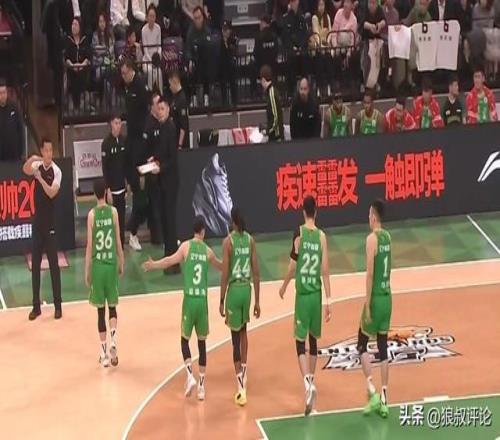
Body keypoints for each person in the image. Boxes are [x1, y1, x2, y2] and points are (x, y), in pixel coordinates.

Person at [143, 216, 222, 400]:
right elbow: (221, 267)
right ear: (203, 231)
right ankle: (201, 387)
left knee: (184, 340)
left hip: (189, 300)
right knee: (202, 344)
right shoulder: (208, 251)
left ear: (193, 230)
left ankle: (189, 375)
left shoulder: (186, 247)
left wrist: (154, 265)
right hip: (202, 302)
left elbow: (169, 261)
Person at [279, 196, 332, 416]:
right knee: (313, 340)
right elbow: (325, 270)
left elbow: (293, 265)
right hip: (316, 295)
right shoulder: (322, 237)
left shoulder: (299, 233)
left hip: (302, 296)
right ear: (316, 212)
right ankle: (311, 382)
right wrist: (329, 301)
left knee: (300, 342)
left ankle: (308, 383)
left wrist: (284, 285)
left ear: (303, 212)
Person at [219, 208, 261, 407]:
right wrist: (258, 301)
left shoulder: (228, 242)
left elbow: (225, 274)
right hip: (247, 290)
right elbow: (257, 273)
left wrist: (221, 300)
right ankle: (244, 370)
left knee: (235, 339)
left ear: (233, 222)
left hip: (235, 291)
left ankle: (240, 386)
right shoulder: (250, 240)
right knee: (244, 331)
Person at [356, 200, 392, 418]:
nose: (368, 217)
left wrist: (368, 304)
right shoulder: (388, 237)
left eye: (369, 214)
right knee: (383, 346)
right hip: (388, 297)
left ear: (374, 216)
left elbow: (370, 274)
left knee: (362, 344)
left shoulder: (372, 239)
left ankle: (372, 391)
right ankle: (385, 399)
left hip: (376, 299)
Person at [85, 178, 125, 368]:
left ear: (94, 193)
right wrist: (121, 260)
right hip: (111, 265)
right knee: (113, 308)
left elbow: (89, 246)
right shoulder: (114, 212)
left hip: (98, 266)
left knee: (100, 311)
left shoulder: (92, 215)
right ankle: (114, 340)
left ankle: (103, 353)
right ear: (106, 192)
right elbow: (118, 240)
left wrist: (87, 270)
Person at [23, 140, 63, 321]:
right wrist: (33, 159)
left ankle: (58, 306)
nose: (49, 153)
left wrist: (39, 179)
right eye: (46, 150)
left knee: (54, 265)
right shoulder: (38, 165)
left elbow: (52, 192)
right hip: (37, 223)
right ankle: (36, 307)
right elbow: (25, 169)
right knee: (36, 266)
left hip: (50, 224)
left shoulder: (56, 171)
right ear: (42, 151)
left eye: (50, 150)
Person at [121, 59, 150, 251]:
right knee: (139, 195)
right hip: (132, 144)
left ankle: (132, 230)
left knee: (143, 199)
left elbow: (143, 113)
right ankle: (132, 231)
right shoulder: (128, 87)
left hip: (140, 146)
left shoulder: (140, 86)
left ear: (132, 70)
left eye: (125, 73)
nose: (123, 76)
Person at [150, 97, 180, 266]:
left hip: (170, 181)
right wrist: (154, 159)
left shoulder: (170, 127)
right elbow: (162, 152)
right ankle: (168, 256)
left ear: (168, 109)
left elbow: (172, 158)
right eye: (158, 109)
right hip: (162, 181)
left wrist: (160, 168)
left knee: (170, 220)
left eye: (163, 109)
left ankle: (173, 261)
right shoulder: (161, 128)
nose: (160, 112)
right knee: (165, 219)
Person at [101, 114, 127, 247]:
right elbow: (105, 168)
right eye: (116, 123)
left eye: (120, 123)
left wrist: (127, 186)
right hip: (112, 190)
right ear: (111, 124)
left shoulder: (124, 140)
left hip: (122, 187)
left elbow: (126, 164)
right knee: (111, 219)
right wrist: (108, 189)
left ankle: (121, 245)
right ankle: (111, 245)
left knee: (121, 219)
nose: (118, 126)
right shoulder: (106, 143)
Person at [185, 6, 212, 107]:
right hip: (194, 59)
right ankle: (194, 98)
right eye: (195, 18)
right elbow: (188, 48)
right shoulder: (190, 31)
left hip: (205, 59)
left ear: (203, 17)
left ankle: (206, 97)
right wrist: (190, 60)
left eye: (199, 17)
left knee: (207, 68)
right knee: (191, 71)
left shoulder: (207, 29)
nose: (197, 20)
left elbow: (209, 46)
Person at [281, 0, 309, 96]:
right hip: (291, 51)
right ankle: (291, 92)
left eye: (295, 1)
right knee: (290, 61)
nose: (294, 4)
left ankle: (306, 89)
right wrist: (292, 47)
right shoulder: (286, 18)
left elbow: (305, 35)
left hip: (302, 50)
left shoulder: (302, 18)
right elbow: (285, 37)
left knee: (305, 59)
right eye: (292, 2)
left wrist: (300, 47)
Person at [65, 17, 90, 110]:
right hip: (71, 69)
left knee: (83, 77)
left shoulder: (85, 40)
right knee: (72, 78)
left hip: (83, 69)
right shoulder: (68, 40)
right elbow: (66, 57)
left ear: (80, 27)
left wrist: (81, 65)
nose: (73, 27)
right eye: (72, 24)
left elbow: (88, 56)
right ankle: (74, 105)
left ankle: (82, 105)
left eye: (76, 25)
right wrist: (72, 65)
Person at [92, 13, 115, 109]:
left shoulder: (110, 35)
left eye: (103, 21)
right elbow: (96, 50)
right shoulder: (95, 35)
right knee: (101, 75)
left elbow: (111, 51)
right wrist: (105, 50)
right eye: (100, 21)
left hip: (109, 63)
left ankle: (108, 104)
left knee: (109, 75)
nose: (102, 23)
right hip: (98, 63)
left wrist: (104, 50)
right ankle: (105, 103)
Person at [311, 0, 333, 97]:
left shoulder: (327, 17)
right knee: (319, 61)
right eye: (319, 5)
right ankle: (319, 87)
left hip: (326, 45)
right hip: (318, 46)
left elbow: (330, 32)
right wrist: (321, 45)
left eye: (323, 5)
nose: (321, 7)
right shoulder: (314, 18)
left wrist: (327, 42)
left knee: (329, 60)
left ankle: (329, 86)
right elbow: (316, 33)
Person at [252, 15, 279, 96]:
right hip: (273, 65)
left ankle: (255, 92)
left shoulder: (258, 36)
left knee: (252, 67)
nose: (260, 25)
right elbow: (276, 51)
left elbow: (255, 53)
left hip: (260, 66)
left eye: (261, 23)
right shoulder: (275, 36)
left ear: (265, 23)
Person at [0, 78, 24, 161]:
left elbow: (20, 129)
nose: (2, 95)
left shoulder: (14, 107)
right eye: (0, 93)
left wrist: (21, 151)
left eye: (4, 92)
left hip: (14, 154)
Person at [142, 4, 163, 92]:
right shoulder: (144, 30)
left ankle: (160, 94)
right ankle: (150, 94)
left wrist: (157, 58)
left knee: (159, 73)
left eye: (153, 16)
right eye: (150, 16)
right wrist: (151, 61)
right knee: (151, 72)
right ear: (147, 17)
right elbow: (145, 49)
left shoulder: (158, 28)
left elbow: (159, 46)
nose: (151, 18)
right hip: (147, 60)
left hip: (156, 59)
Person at [260, 65, 284, 142]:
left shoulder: (271, 93)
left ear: (263, 80)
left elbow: (275, 117)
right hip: (274, 136)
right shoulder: (272, 92)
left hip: (276, 137)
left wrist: (267, 131)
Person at [168, 70, 190, 150]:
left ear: (174, 81)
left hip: (180, 144)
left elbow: (183, 125)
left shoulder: (182, 99)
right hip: (174, 140)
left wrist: (180, 145)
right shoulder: (175, 98)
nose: (170, 87)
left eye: (170, 84)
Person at [220, 20, 238, 107]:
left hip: (231, 66)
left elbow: (234, 51)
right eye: (224, 30)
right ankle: (224, 102)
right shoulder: (220, 41)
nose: (226, 32)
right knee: (223, 84)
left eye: (227, 30)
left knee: (233, 83)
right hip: (222, 67)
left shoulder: (232, 40)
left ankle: (235, 102)